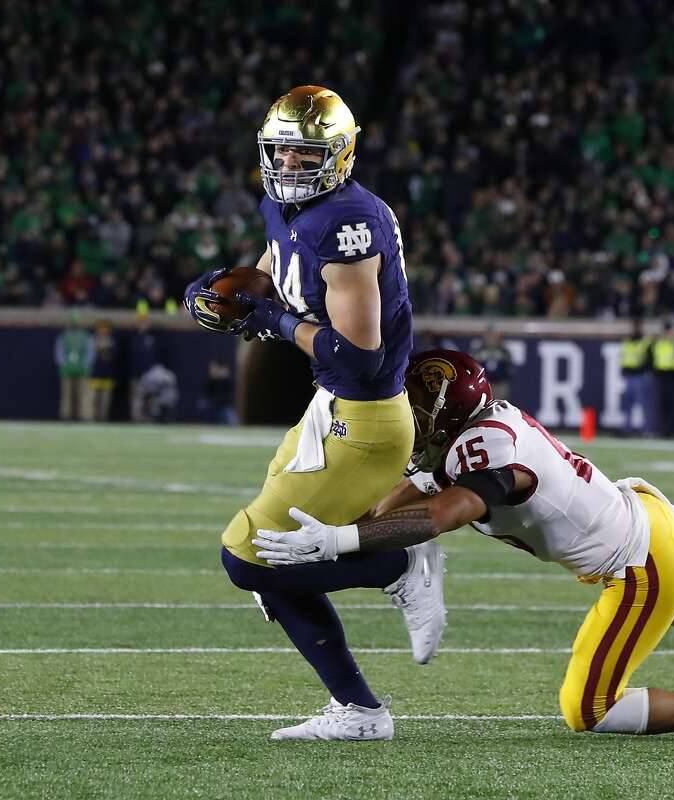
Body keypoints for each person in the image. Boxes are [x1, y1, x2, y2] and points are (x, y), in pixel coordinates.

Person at [255, 349, 674, 739]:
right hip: (645, 525)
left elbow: (443, 512)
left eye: (419, 408)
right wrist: (330, 544)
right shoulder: (464, 437)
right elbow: (404, 494)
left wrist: (343, 539)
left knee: (587, 709)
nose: (410, 419)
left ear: (448, 414)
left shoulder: (489, 452)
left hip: (639, 561)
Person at [183, 86, 444, 742]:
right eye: (282, 153)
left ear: (340, 154)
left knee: (249, 558)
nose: (291, 167)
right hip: (330, 408)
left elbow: (357, 355)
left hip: (367, 418)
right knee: (273, 566)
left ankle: (400, 565)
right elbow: (276, 271)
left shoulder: (349, 221)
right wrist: (233, 291)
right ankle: (358, 711)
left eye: (306, 155)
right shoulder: (285, 204)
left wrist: (275, 322)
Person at [650, 317, 674, 438]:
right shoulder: (658, 342)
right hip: (662, 376)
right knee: (662, 404)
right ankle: (663, 430)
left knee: (673, 405)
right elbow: (653, 358)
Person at [54, 310, 94, 421]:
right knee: (67, 394)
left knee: (84, 394)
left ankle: (85, 416)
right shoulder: (63, 336)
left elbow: (90, 353)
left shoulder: (86, 337)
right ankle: (66, 416)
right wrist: (63, 365)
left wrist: (86, 365)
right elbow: (59, 352)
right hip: (69, 369)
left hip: (81, 369)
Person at [618, 317, 653, 437]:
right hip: (629, 376)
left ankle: (646, 429)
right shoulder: (628, 342)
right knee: (627, 404)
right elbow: (624, 357)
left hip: (640, 376)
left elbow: (650, 361)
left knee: (643, 404)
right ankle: (626, 428)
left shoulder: (645, 342)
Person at [86, 321, 119, 422]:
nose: (103, 333)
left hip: (107, 374)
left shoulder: (112, 342)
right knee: (93, 399)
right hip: (95, 374)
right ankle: (92, 418)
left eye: (105, 331)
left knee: (105, 400)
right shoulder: (92, 340)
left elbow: (114, 356)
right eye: (101, 331)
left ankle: (102, 418)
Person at [474, 326, 514, 401]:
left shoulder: (504, 352)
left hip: (499, 383)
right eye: (488, 335)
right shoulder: (477, 352)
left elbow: (509, 370)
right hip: (483, 384)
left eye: (493, 335)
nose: (490, 338)